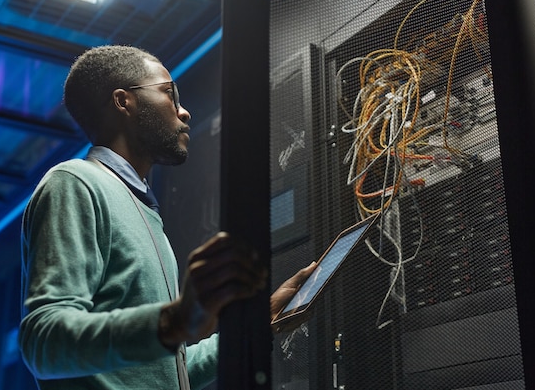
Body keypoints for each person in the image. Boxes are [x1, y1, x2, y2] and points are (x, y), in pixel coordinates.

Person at [19, 45, 315, 390]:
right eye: (169, 94)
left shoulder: (144, 209)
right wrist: (176, 320)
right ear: (123, 101)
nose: (184, 112)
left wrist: (259, 324)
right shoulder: (74, 182)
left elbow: (170, 372)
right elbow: (43, 342)